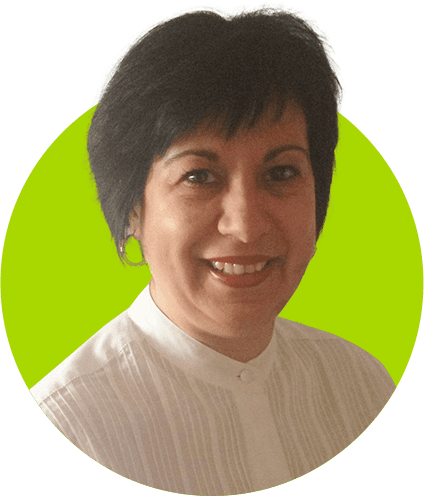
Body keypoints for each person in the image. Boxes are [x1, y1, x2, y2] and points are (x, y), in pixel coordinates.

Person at [30, 7, 395, 495]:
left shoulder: (363, 387)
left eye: (281, 173)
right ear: (132, 211)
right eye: (198, 176)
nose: (245, 226)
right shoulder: (68, 427)